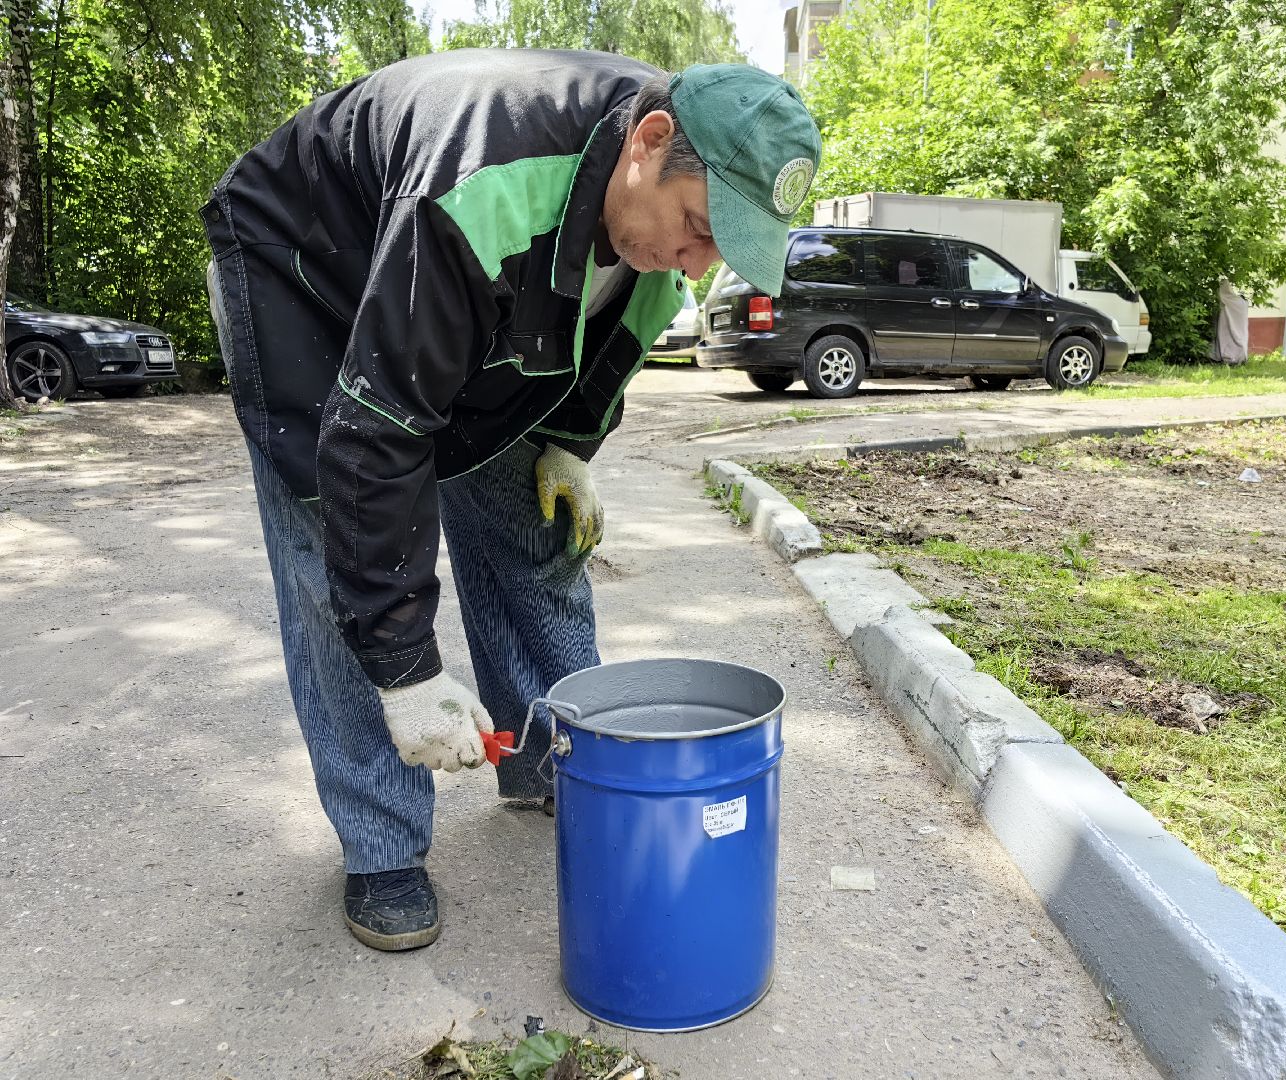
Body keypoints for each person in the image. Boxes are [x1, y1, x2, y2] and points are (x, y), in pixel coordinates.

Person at [201, 49, 821, 951]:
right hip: (304, 268)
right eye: (697, 227)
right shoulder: (486, 180)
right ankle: (382, 845)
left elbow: (608, 352)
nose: (699, 263)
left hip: (444, 288)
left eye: (723, 245)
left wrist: (568, 446)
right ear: (648, 142)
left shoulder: (659, 222)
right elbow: (378, 434)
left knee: (534, 516)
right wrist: (405, 668)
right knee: (330, 536)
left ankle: (548, 755)